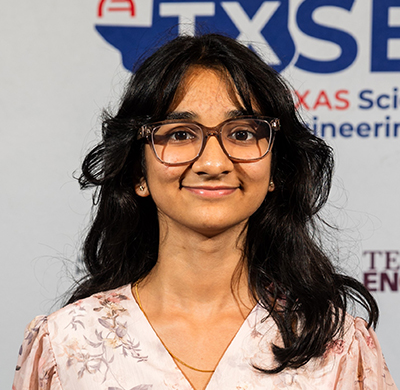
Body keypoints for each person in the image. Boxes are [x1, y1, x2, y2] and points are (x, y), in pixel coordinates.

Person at [13, 34, 396, 390]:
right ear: (138, 172)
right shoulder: (65, 344)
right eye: (180, 134)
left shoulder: (336, 346)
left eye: (242, 134)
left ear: (275, 170)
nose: (213, 163)